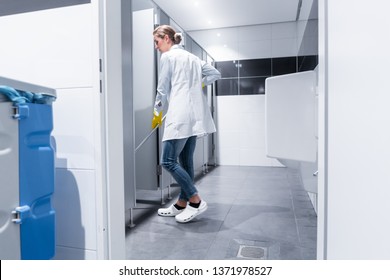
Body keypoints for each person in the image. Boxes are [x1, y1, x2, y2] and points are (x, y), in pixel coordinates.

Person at [152, 25, 221, 223]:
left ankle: (196, 201)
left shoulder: (168, 57)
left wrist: (157, 112)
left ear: (166, 38)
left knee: (168, 161)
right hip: (196, 116)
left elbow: (162, 88)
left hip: (180, 115)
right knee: (186, 161)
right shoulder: (193, 58)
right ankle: (182, 203)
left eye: (157, 42)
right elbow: (215, 74)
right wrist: (198, 84)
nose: (156, 47)